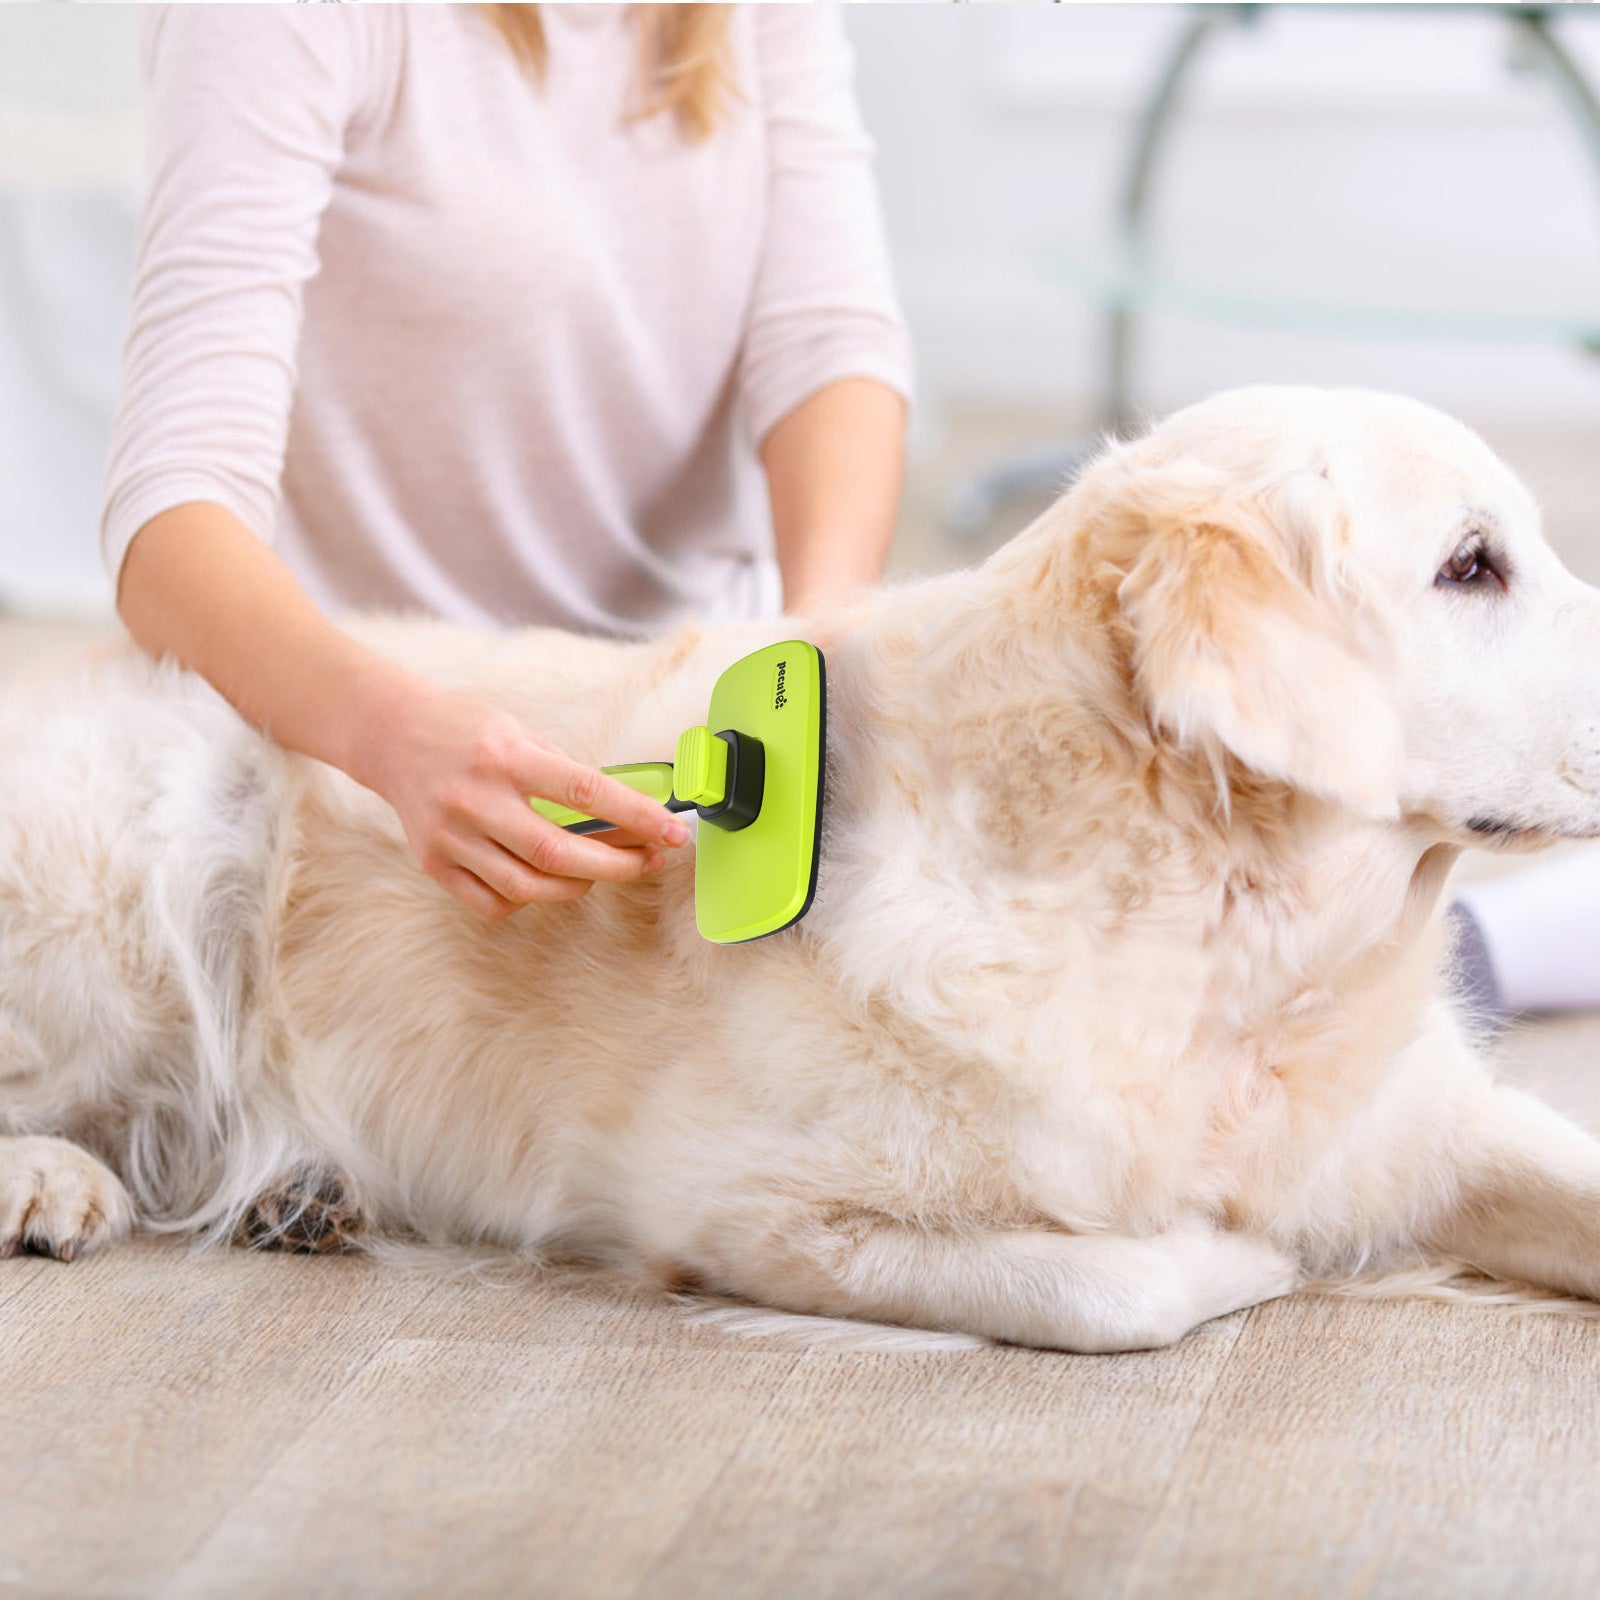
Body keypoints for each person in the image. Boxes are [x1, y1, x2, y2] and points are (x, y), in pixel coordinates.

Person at [102, 3, 911, 923]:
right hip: (399, 743)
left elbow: (829, 346)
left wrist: (811, 647)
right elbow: (170, 522)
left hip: (694, 696)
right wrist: (387, 733)